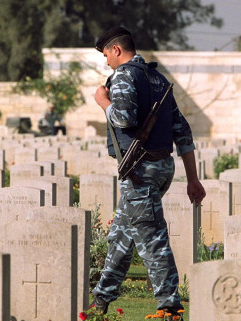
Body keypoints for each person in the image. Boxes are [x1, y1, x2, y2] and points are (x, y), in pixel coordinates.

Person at [91, 26, 206, 317]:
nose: (106, 62)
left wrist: (102, 101)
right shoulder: (158, 79)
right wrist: (192, 178)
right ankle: (103, 296)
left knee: (152, 236)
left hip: (139, 170)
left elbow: (123, 117)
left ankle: (170, 306)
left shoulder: (124, 76)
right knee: (122, 233)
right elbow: (182, 131)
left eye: (106, 55)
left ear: (117, 50)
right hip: (162, 166)